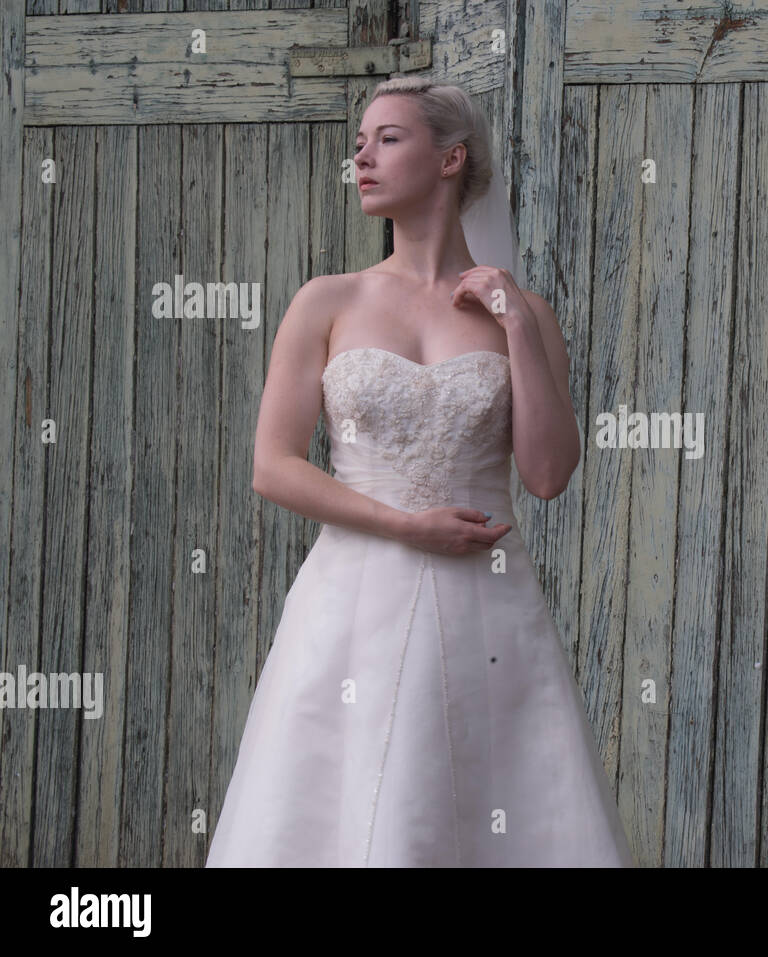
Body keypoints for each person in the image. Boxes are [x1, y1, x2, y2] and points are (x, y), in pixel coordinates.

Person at [205, 78, 634, 866]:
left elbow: (546, 474)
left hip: (488, 601)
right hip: (353, 596)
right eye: (360, 141)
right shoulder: (326, 301)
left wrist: (511, 319)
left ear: (450, 158)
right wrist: (407, 526)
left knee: (486, 803)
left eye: (387, 138)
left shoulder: (527, 313)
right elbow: (273, 466)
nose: (360, 156)